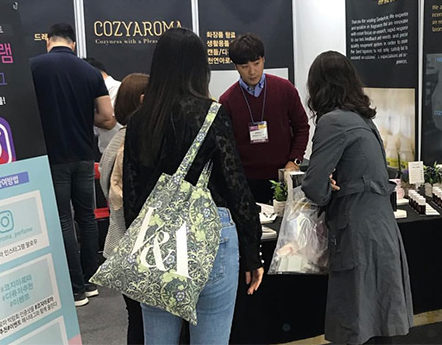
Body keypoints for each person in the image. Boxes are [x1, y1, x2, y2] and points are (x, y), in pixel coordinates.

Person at [122, 28, 264, 344]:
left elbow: (132, 196)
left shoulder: (140, 120)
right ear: (201, 68)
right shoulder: (213, 114)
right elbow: (236, 187)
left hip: (156, 241)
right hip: (211, 236)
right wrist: (252, 251)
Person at [302, 51, 413, 345]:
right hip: (380, 227)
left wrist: (328, 186)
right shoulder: (362, 119)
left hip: (356, 231)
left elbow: (314, 187)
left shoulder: (332, 122)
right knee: (379, 320)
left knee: (358, 320)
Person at [30, 23, 116, 307]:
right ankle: (90, 282)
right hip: (84, 155)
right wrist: (83, 116)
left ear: (48, 40)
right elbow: (107, 117)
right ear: (74, 44)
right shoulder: (90, 72)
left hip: (53, 157)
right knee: (87, 217)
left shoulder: (33, 67)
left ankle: (75, 289)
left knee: (63, 219)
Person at [219, 33, 309, 203]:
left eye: (256, 63)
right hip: (246, 181)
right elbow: (226, 146)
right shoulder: (227, 100)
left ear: (263, 60)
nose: (252, 71)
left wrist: (295, 160)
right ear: (236, 67)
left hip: (283, 174)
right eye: (245, 66)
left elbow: (302, 126)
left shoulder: (285, 89)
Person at [99, 73, 149, 345]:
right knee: (147, 319)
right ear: (143, 100)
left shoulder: (115, 142)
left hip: (118, 244)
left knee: (136, 317)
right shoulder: (137, 143)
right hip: (137, 248)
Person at [85, 57, 122, 153]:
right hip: (107, 151)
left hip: (117, 152)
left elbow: (108, 122)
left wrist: (80, 113)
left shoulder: (115, 88)